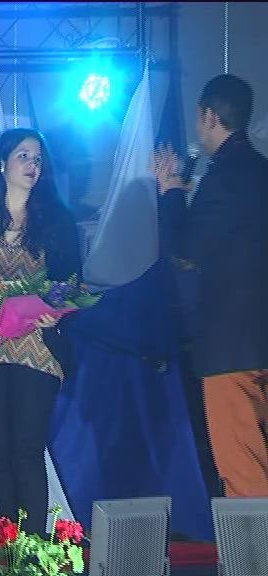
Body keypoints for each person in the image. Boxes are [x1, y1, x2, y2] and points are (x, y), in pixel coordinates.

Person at [0, 128, 81, 535]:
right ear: (2, 163)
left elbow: (70, 281)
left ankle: (34, 550)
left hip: (37, 349)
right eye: (24, 156)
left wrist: (55, 310)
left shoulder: (57, 219)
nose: (33, 166)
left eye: (38, 159)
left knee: (26, 450)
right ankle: (8, 548)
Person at [154, 73, 268, 497]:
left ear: (208, 115)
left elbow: (184, 250)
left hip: (231, 347)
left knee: (243, 470)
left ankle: (253, 561)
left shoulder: (224, 175)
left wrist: (170, 192)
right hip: (257, 340)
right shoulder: (260, 170)